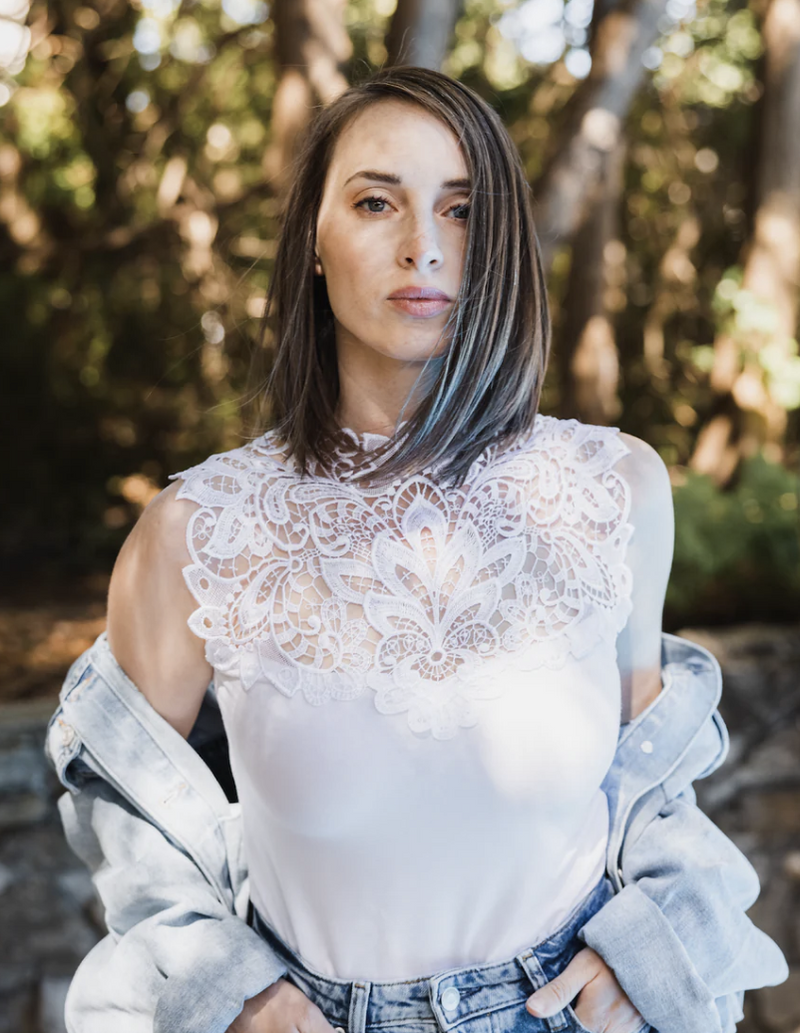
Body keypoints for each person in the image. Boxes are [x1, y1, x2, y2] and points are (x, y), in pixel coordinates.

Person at [47, 67, 788, 1033]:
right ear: (312, 239)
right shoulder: (197, 531)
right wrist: (232, 991)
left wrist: (644, 950)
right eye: (374, 201)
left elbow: (650, 776)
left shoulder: (614, 491)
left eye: (462, 208)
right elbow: (121, 798)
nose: (423, 247)